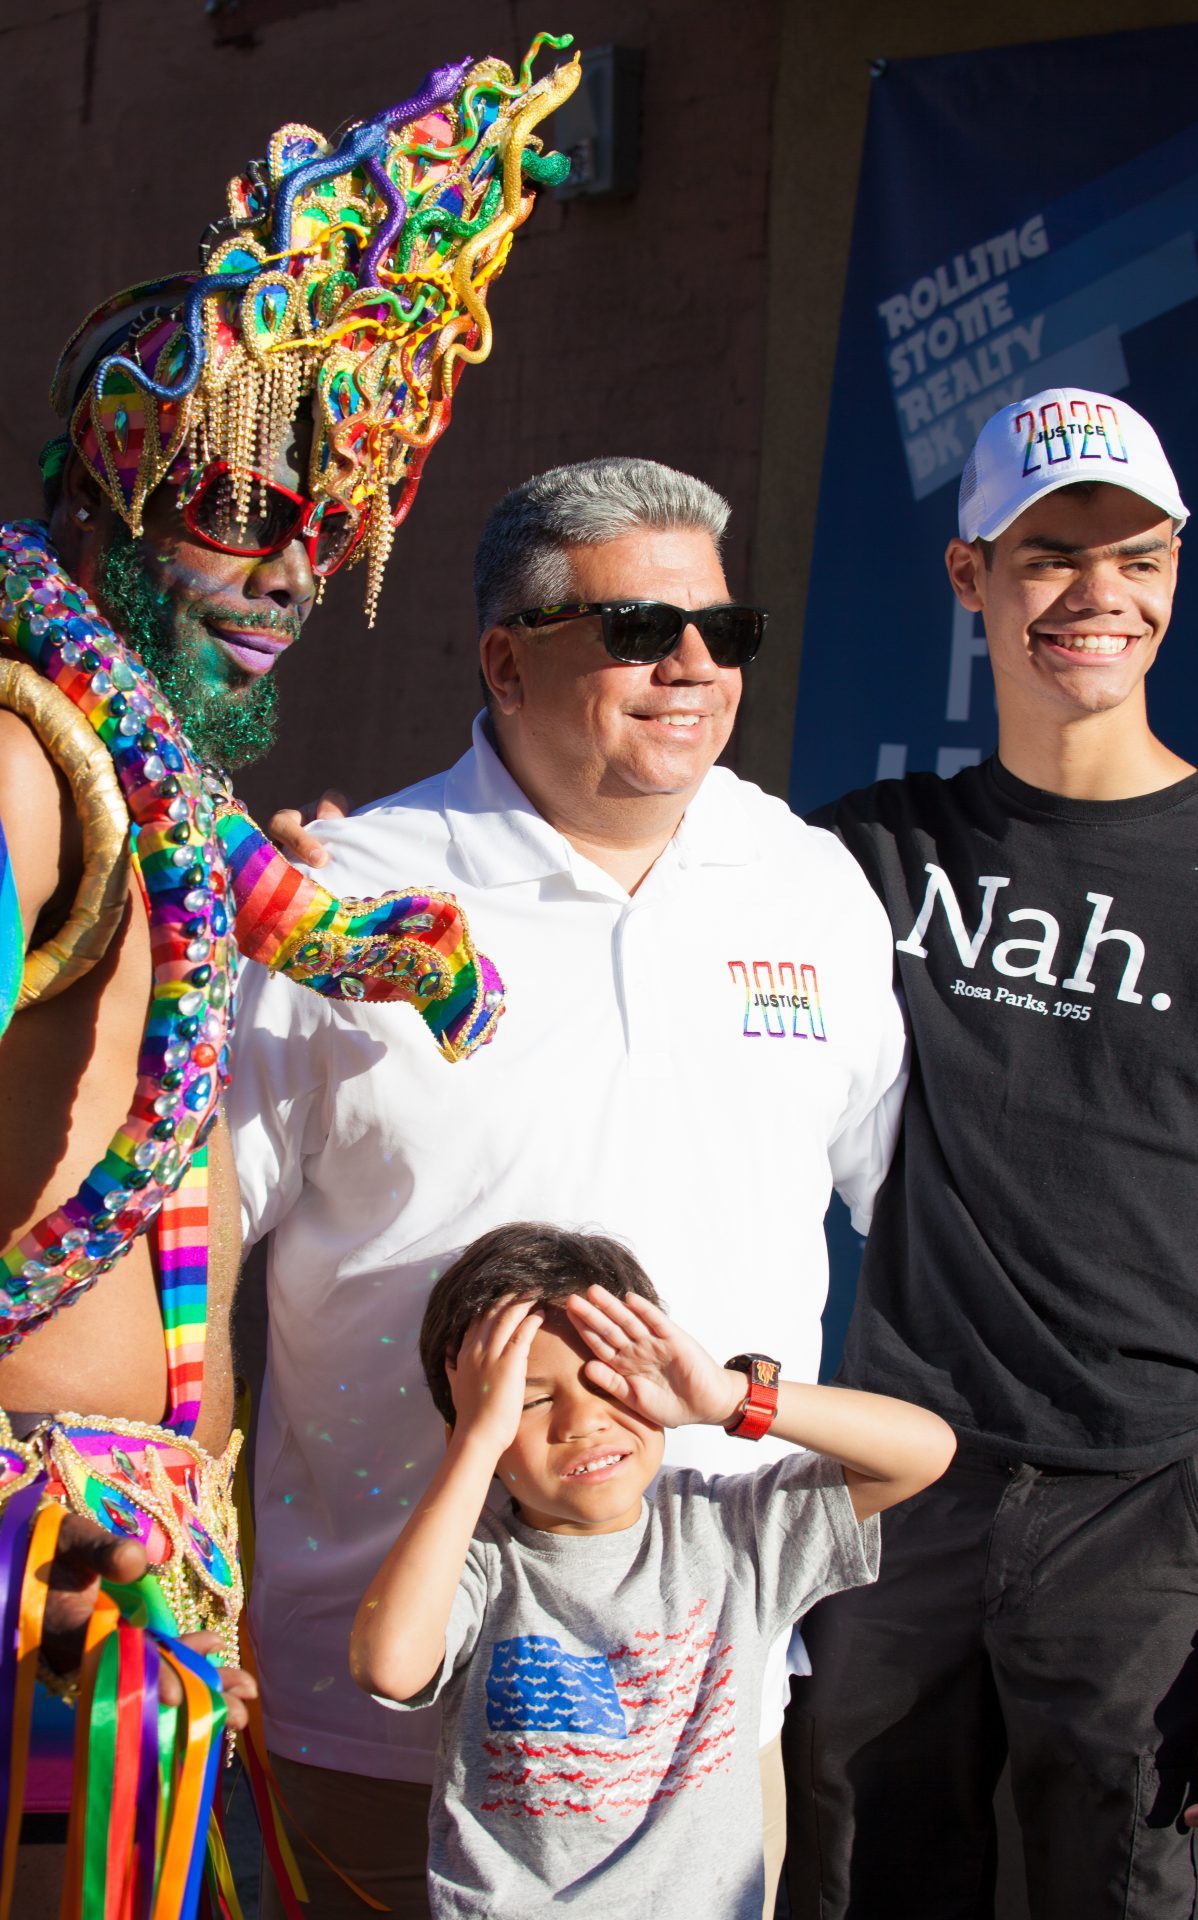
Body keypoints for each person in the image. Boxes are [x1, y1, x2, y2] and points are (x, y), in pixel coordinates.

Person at [0, 41, 576, 1913]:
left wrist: (346, 934)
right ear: (116, 482)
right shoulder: (28, 753)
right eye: (241, 504)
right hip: (40, 1569)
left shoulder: (166, 785)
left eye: (325, 528)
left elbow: (227, 943)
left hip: (149, 1570)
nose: (284, 572)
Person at [230, 454, 910, 1915]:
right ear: (506, 657)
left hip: (703, 1733)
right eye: (634, 632)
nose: (689, 668)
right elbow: (190, 1245)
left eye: (723, 635)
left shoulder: (811, 889)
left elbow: (898, 1214)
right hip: (385, 1711)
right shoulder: (350, 898)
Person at [785, 387, 1198, 1918]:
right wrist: (389, 888)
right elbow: (611, 887)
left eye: (1135, 557)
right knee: (864, 1887)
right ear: (968, 577)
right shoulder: (863, 852)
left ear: (1179, 573)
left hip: (1155, 1519)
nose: (1096, 597)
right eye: (1049, 554)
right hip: (897, 1489)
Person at [348, 1221, 954, 1918]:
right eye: (532, 1400)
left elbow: (924, 1451)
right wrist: (474, 1443)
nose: (584, 1422)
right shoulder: (473, 1555)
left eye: (612, 1382)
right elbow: (388, 1665)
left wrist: (728, 1398)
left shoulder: (731, 1528)